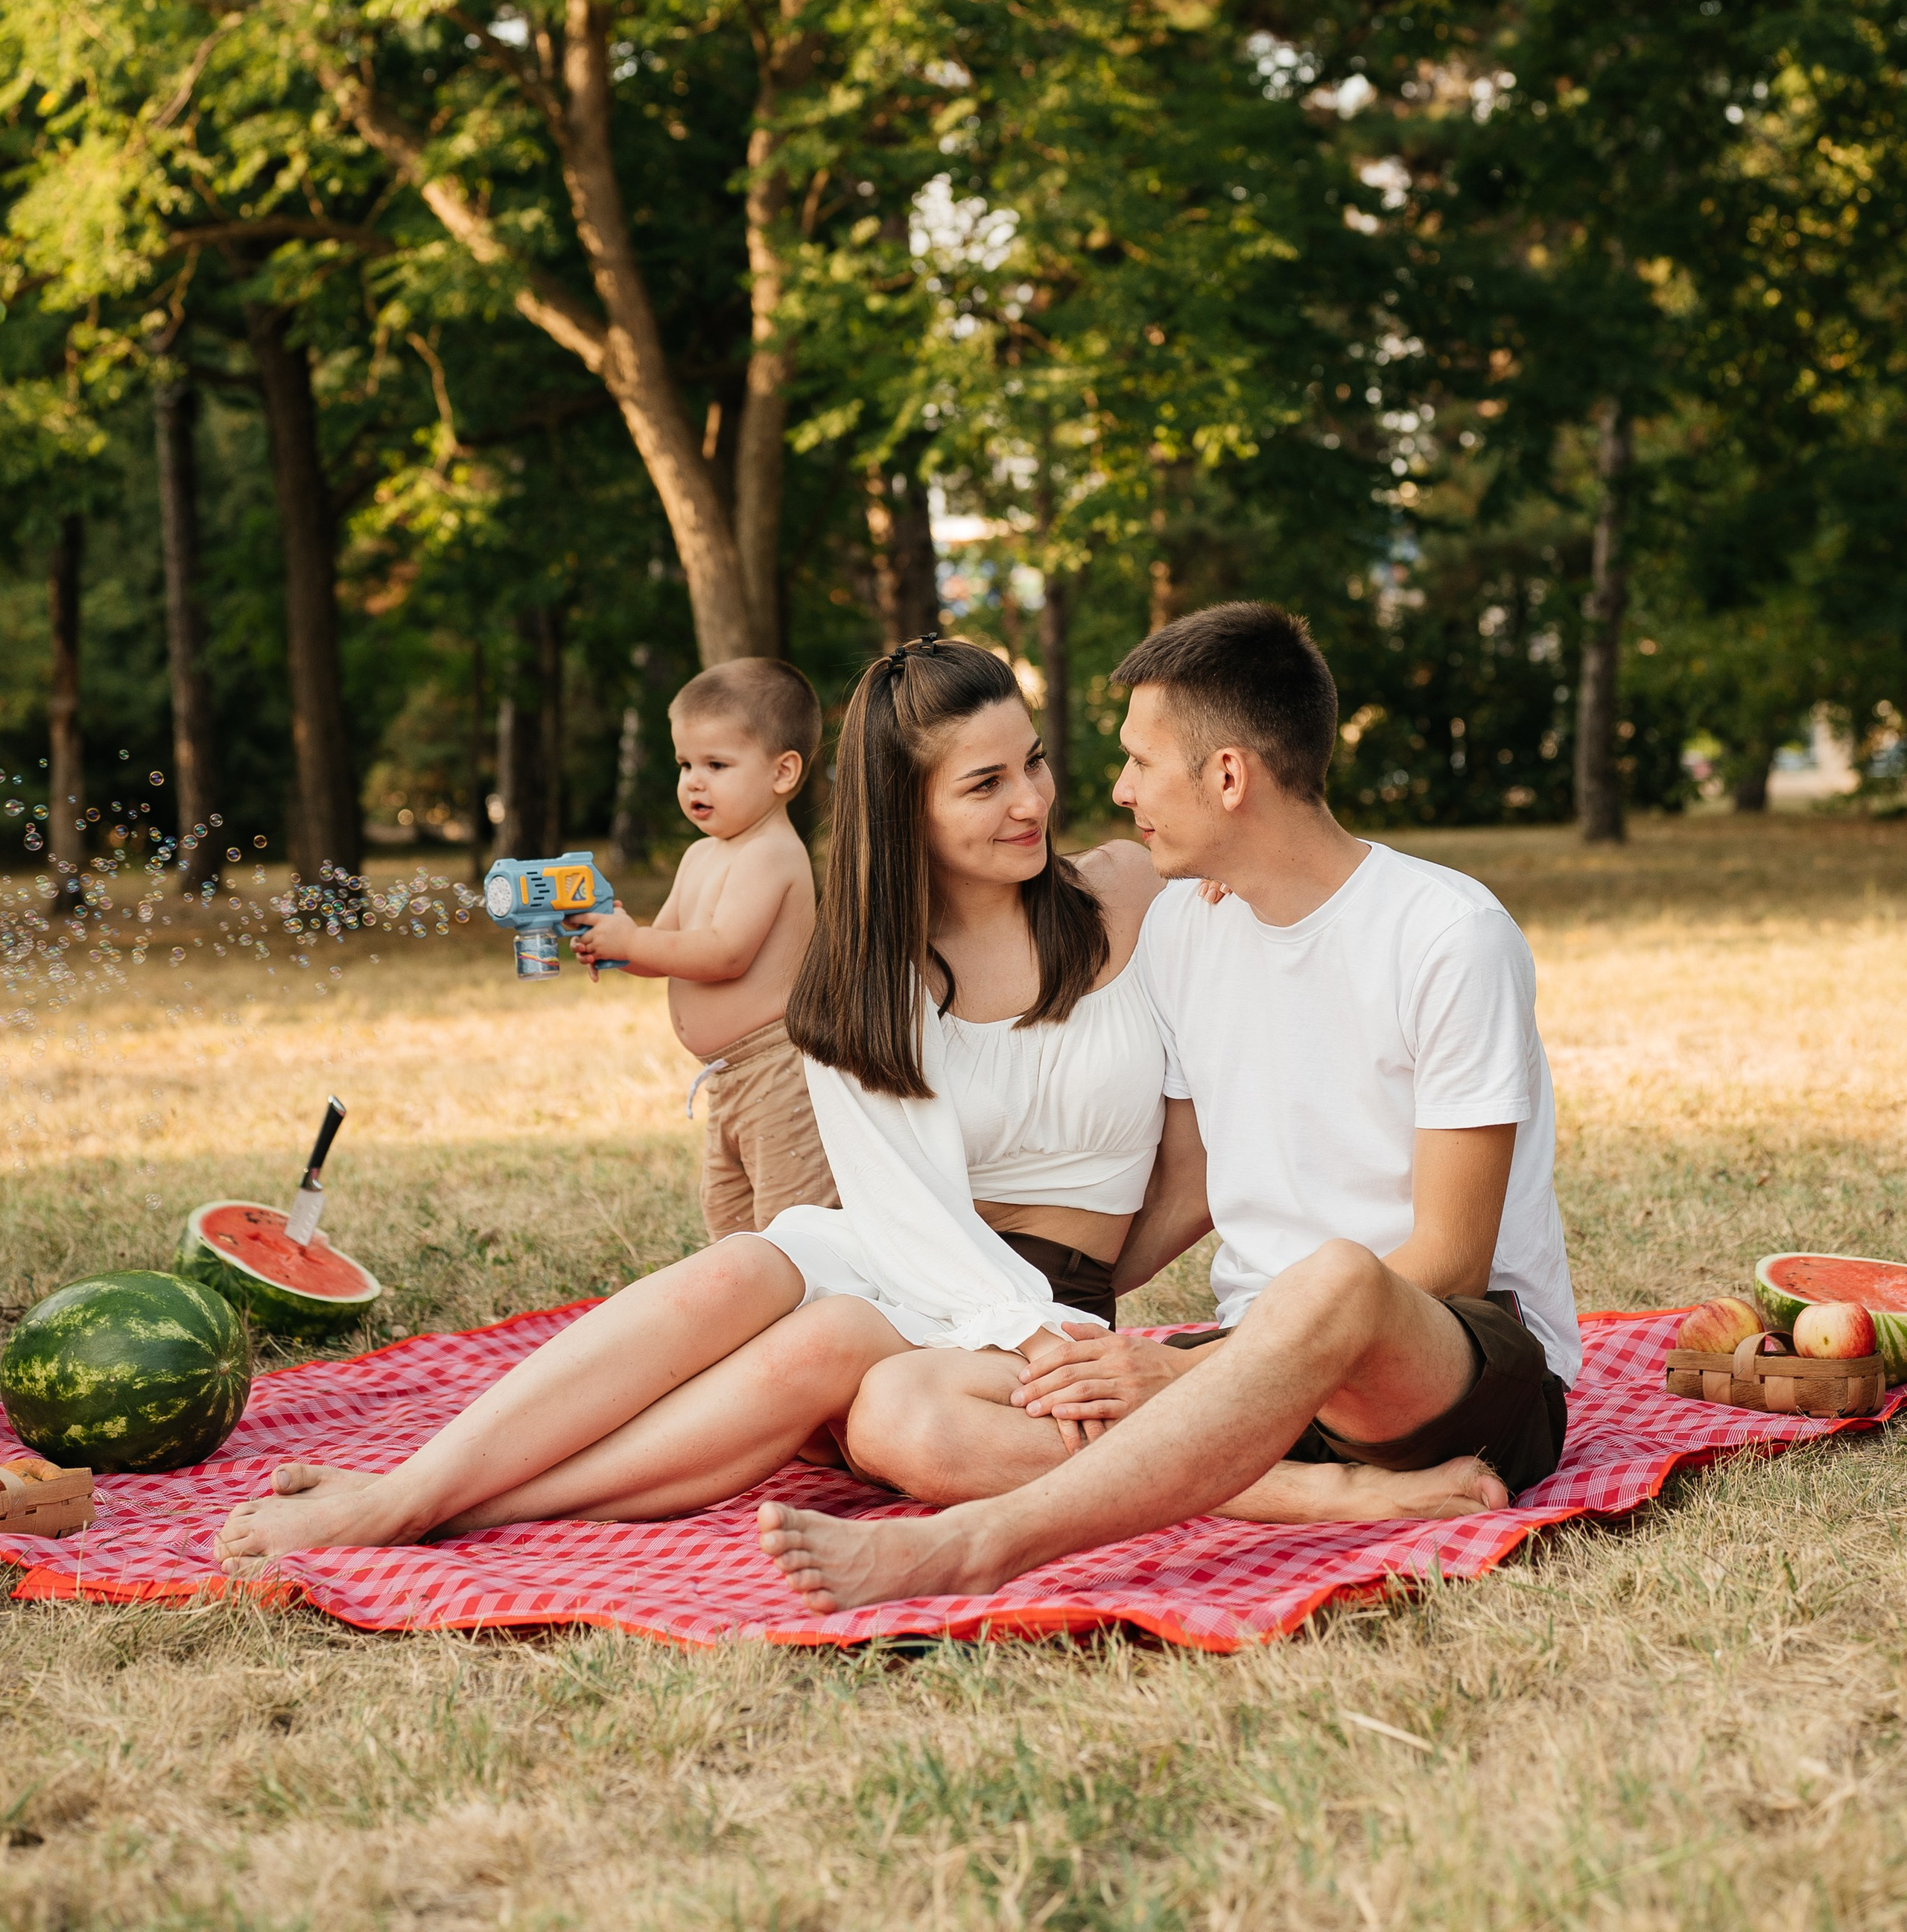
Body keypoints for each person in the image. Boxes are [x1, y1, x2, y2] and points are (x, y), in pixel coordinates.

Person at [215, 633, 1476, 1569]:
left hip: (1034, 1303)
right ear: (903, 808)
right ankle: (414, 1493)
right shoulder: (861, 983)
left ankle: (429, 1505)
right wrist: (1022, 1326)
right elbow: (904, 1213)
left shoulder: (1137, 894)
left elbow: (1231, 1096)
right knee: (749, 1268)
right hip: (915, 1256)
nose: (1032, 801)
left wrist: (1079, 1312)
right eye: (983, 784)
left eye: (1033, 762)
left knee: (825, 1344)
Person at [757, 600, 1578, 1614]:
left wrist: (1187, 1375)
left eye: (1141, 761)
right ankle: (1319, 1498)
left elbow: (1450, 1258)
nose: (1116, 790)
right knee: (898, 1407)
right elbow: (1188, 1180)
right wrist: (1043, 1327)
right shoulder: (1189, 929)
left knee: (1333, 1279)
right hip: (1255, 1368)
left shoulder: (1447, 934)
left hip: (1445, 1361)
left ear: (1228, 777)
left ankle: (979, 1544)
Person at [573, 657, 837, 1236]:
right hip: (726, 1076)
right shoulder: (699, 856)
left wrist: (635, 941)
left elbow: (724, 954)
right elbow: (666, 948)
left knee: (793, 1223)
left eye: (716, 765)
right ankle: (743, 1289)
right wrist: (615, 943)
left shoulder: (771, 852)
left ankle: (810, 1293)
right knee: (728, 1215)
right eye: (685, 764)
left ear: (783, 772)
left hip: (778, 1072)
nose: (694, 780)